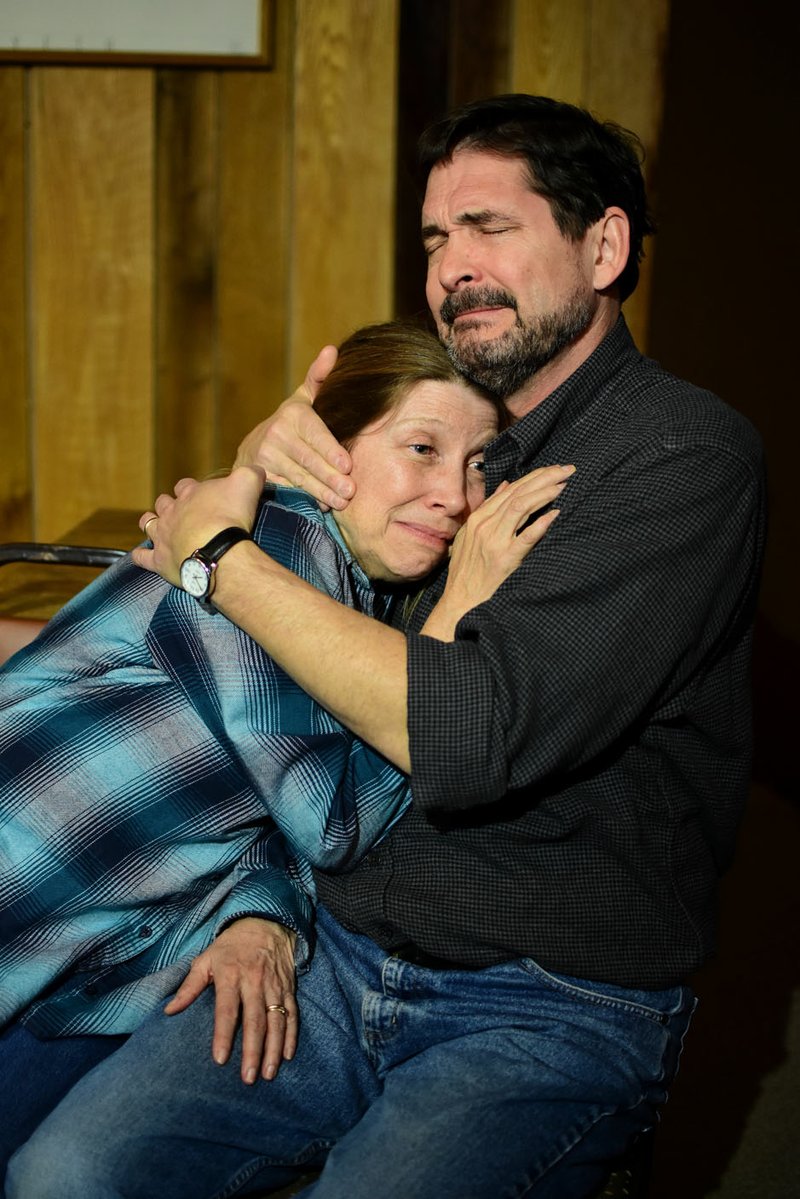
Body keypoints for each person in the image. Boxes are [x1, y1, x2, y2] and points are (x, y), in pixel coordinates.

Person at [6, 94, 765, 1199]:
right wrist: (270, 483)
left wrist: (221, 553)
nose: (452, 263)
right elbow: (257, 733)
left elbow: (464, 731)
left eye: (489, 226)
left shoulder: (679, 454)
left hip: (547, 999)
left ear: (602, 247)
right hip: (338, 945)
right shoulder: (443, 442)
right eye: (434, 237)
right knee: (68, 1172)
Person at [0, 319, 567, 1182]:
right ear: (329, 449)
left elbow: (275, 810)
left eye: (477, 463)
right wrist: (454, 619)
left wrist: (258, 914)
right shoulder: (270, 552)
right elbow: (333, 820)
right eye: (421, 447)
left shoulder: (353, 603)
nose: (453, 494)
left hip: (79, 952)